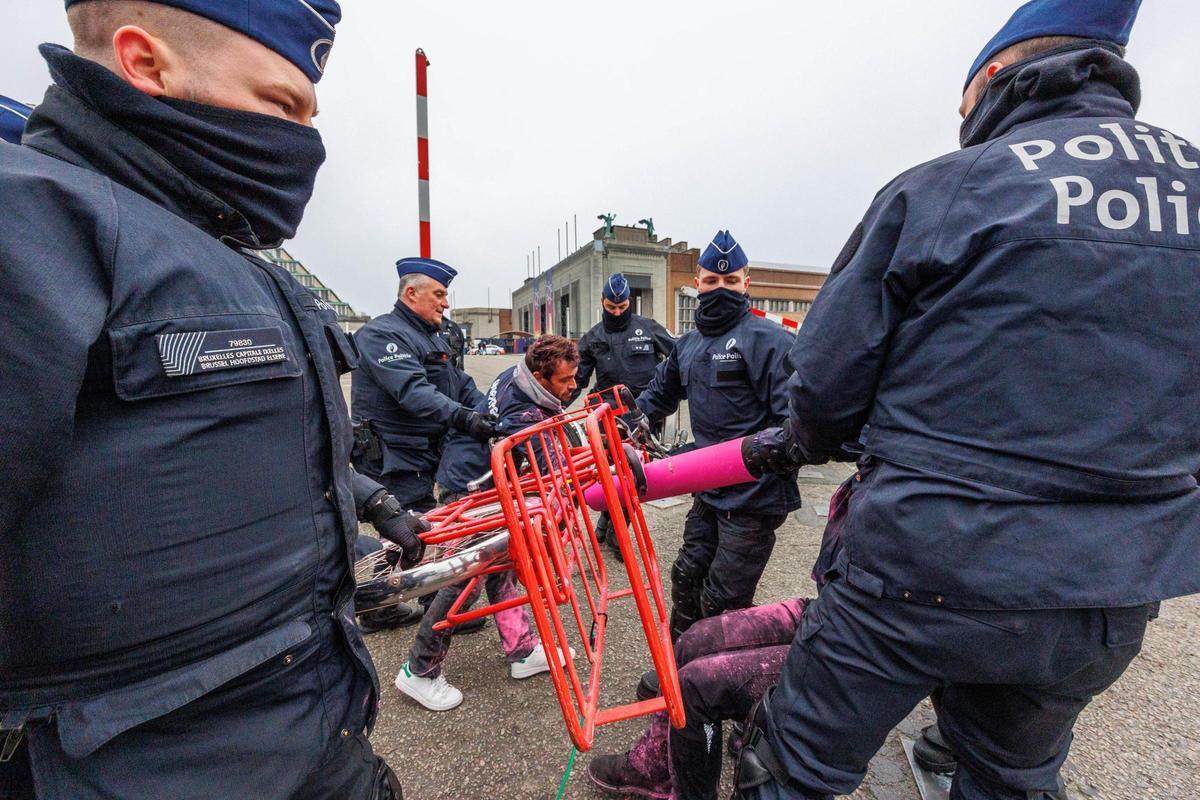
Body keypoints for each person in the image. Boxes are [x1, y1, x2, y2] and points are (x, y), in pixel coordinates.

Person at [736, 2, 1200, 799]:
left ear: (995, 76)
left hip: (921, 567)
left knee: (792, 770)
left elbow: (824, 387)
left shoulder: (950, 187)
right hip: (1108, 585)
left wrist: (820, 441)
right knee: (1012, 776)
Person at [0, 2, 429, 798]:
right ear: (146, 62)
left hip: (315, 739)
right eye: (280, 105)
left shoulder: (229, 255)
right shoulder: (33, 224)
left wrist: (361, 503)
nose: (305, 142)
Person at [635, 230, 800, 674]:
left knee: (724, 601)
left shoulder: (771, 341)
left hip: (754, 497)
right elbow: (656, 397)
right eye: (711, 282)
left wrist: (770, 453)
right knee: (686, 576)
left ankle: (715, 685)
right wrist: (631, 420)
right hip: (708, 490)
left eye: (731, 282)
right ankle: (678, 668)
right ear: (697, 282)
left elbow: (796, 422)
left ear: (747, 283)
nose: (720, 290)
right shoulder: (686, 347)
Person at [398, 336, 582, 711]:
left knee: (504, 564)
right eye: (566, 380)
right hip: (471, 488)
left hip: (481, 482)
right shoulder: (522, 413)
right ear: (540, 377)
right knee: (463, 579)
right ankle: (419, 670)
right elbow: (553, 467)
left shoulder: (517, 377)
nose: (574, 386)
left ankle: (521, 649)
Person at [587, 598, 808, 800]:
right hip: (824, 610)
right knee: (693, 642)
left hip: (836, 662)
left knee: (697, 689)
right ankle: (655, 765)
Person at [351, 257, 495, 513]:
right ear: (411, 293)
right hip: (394, 460)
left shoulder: (431, 338)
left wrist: (492, 410)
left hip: (423, 455)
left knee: (430, 526)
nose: (446, 303)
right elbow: (413, 391)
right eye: (439, 294)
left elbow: (460, 384)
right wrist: (465, 418)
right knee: (411, 535)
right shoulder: (381, 334)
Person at [571, 272, 675, 555]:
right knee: (609, 474)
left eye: (622, 307)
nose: (617, 312)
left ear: (630, 302)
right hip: (607, 418)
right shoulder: (593, 337)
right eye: (611, 307)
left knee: (635, 475)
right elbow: (575, 380)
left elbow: (679, 358)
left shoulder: (649, 328)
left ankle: (618, 532)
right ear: (602, 302)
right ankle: (606, 520)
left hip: (643, 413)